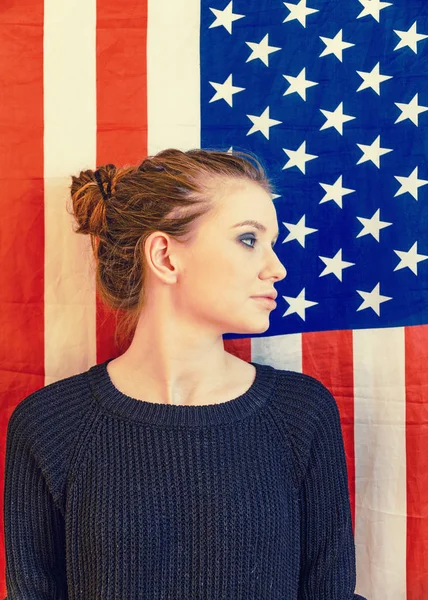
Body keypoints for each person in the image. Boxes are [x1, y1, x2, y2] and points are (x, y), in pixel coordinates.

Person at [3, 148, 367, 599]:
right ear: (166, 256)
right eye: (250, 239)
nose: (277, 269)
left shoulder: (301, 413)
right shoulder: (50, 425)